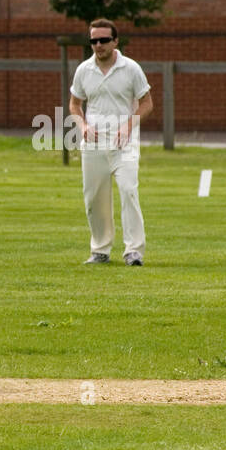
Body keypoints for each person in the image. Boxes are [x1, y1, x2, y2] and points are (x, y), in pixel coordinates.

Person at [68, 18, 153, 266]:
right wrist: (83, 126)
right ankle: (100, 250)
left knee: (128, 191)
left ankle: (133, 251)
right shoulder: (84, 70)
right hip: (94, 144)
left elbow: (147, 103)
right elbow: (75, 104)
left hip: (124, 143)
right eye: (94, 40)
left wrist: (128, 126)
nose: (99, 45)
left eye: (104, 40)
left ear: (115, 41)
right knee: (94, 198)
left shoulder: (131, 68)